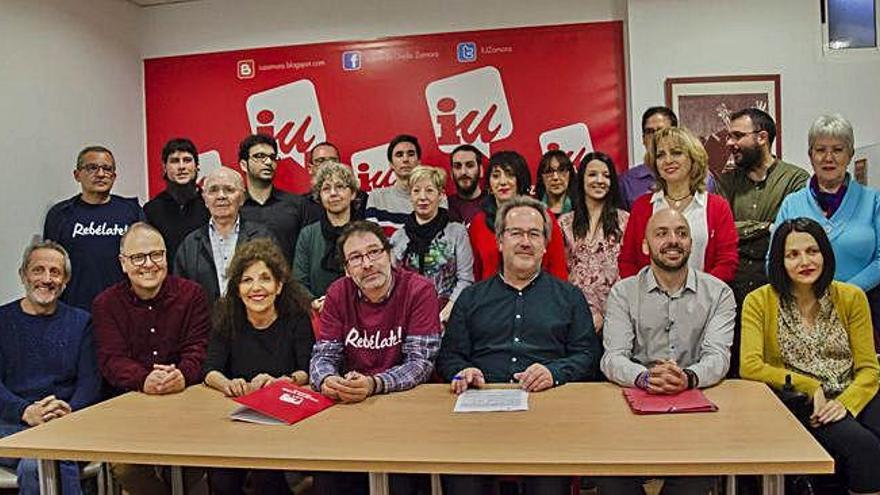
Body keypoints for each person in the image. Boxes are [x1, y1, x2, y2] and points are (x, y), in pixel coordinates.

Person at [437, 195, 600, 495]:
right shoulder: (471, 298)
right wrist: (464, 371)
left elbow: (588, 356)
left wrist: (555, 372)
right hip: (479, 417)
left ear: (545, 245)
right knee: (462, 482)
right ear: (500, 241)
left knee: (548, 485)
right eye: (516, 233)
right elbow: (449, 357)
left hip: (548, 418)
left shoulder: (569, 297)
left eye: (534, 234)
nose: (525, 241)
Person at [598, 208, 735, 495]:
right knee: (612, 479)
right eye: (662, 233)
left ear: (691, 243)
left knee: (694, 479)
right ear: (645, 245)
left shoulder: (719, 293)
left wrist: (686, 377)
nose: (673, 240)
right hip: (634, 407)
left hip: (695, 411)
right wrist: (646, 378)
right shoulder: (623, 293)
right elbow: (613, 357)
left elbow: (718, 357)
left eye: (681, 233)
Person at [741, 217, 880, 494]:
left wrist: (845, 403)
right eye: (792, 254)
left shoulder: (852, 297)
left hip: (853, 393)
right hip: (802, 403)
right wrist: (810, 385)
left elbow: (869, 369)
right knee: (866, 449)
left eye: (812, 251)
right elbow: (750, 366)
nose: (805, 261)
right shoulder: (758, 301)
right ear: (779, 261)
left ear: (825, 254)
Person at [309, 220, 441, 495]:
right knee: (326, 477)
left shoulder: (419, 290)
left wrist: (374, 384)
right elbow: (323, 355)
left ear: (389, 255)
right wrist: (327, 380)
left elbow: (420, 364)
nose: (367, 264)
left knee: (399, 482)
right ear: (347, 269)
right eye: (356, 258)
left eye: (374, 252)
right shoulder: (337, 293)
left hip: (405, 408)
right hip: (352, 408)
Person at [92, 222, 209, 495]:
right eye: (137, 257)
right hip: (130, 411)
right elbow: (111, 359)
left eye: (156, 255)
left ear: (166, 257)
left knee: (198, 463)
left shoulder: (193, 295)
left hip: (187, 407)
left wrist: (182, 374)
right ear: (123, 263)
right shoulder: (105, 304)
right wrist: (144, 379)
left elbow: (199, 348)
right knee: (126, 468)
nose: (148, 264)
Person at [203, 238, 314, 495]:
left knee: (267, 474)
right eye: (246, 280)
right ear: (237, 288)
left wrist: (284, 382)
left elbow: (307, 368)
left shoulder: (296, 316)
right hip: (237, 420)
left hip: (285, 419)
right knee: (220, 476)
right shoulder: (227, 315)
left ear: (278, 285)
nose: (256, 288)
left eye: (265, 278)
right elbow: (210, 370)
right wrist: (228, 383)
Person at [0, 240, 101, 495]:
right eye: (38, 270)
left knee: (35, 465)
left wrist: (65, 415)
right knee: (47, 458)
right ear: (23, 275)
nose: (47, 279)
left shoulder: (82, 322)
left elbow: (90, 383)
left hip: (67, 422)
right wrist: (25, 411)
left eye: (55, 272)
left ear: (65, 280)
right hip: (11, 425)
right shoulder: (2, 321)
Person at [775, 114, 880, 351]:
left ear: (850, 154)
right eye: (820, 149)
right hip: (803, 314)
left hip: (862, 310)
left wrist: (843, 293)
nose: (829, 158)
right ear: (810, 155)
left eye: (838, 149)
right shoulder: (792, 204)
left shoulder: (873, 201)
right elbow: (774, 260)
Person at [716, 108, 809, 376]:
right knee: (733, 368)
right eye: (728, 136)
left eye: (737, 135)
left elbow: (789, 232)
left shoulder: (795, 179)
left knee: (774, 367)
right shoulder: (727, 180)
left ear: (762, 137)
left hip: (776, 285)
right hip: (732, 285)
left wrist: (770, 228)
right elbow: (722, 231)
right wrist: (765, 226)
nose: (729, 143)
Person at [618, 127, 738, 282]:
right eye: (661, 155)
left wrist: (702, 294)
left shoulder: (717, 207)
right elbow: (628, 261)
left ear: (693, 158)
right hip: (650, 303)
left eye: (676, 152)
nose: (668, 160)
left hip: (705, 302)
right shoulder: (642, 207)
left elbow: (727, 261)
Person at [43, 145, 144, 311]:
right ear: (77, 175)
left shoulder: (132, 211)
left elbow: (143, 260)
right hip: (75, 311)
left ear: (114, 176)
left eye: (107, 168)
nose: (101, 174)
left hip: (126, 309)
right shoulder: (60, 215)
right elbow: (51, 265)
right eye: (92, 168)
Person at [174, 167, 274, 303]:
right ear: (204, 199)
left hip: (252, 321)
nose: (221, 196)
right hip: (205, 322)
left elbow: (275, 282)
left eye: (229, 189)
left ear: (242, 198)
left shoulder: (263, 238)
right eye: (213, 190)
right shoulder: (190, 245)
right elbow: (181, 295)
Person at [468, 151, 568, 281]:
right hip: (490, 298)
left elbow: (557, 267)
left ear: (520, 179)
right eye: (496, 176)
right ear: (489, 184)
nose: (502, 182)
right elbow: (476, 273)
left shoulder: (542, 215)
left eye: (510, 175)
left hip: (539, 297)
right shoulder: (479, 222)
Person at [391, 166, 474, 323]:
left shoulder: (457, 232)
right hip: (409, 318)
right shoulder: (399, 237)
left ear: (441, 195)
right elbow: (392, 282)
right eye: (416, 191)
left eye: (429, 190)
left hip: (449, 317)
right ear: (410, 195)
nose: (422, 197)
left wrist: (442, 316)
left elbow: (465, 279)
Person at [558, 152, 629, 333]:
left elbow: (629, 271)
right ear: (581, 179)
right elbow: (559, 274)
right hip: (573, 317)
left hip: (618, 316)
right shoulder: (564, 223)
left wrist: (605, 315)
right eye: (592, 174)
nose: (599, 180)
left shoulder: (625, 221)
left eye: (606, 176)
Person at [619, 106, 715, 210]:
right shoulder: (627, 182)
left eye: (661, 131)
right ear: (643, 139)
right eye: (650, 132)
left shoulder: (704, 179)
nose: (656, 136)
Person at [294, 162, 359, 312]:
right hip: (320, 316)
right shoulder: (308, 234)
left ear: (353, 193)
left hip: (363, 314)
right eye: (326, 188)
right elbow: (298, 282)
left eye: (340, 186)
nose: (333, 193)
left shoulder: (368, 232)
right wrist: (314, 302)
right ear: (319, 197)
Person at [238, 134, 307, 263]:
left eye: (272, 157)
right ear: (243, 165)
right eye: (259, 156)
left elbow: (307, 254)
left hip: (288, 282)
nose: (268, 162)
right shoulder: (235, 207)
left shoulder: (297, 204)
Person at [144, 138, 210, 262]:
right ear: (164, 167)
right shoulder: (151, 210)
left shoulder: (210, 205)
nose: (181, 167)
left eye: (187, 160)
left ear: (197, 166)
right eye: (174, 161)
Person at [366, 134, 446, 237]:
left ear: (419, 162)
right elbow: (372, 241)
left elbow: (439, 240)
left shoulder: (437, 197)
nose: (405, 159)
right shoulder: (377, 197)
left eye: (411, 154)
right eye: (399, 155)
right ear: (391, 164)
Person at [299, 141, 368, 223]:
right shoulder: (301, 204)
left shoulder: (361, 198)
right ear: (310, 168)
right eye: (321, 161)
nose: (328, 165)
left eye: (333, 160)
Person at [447, 144, 486, 225]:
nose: (463, 172)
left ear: (481, 170)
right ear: (451, 173)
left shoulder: (494, 203)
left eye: (470, 165)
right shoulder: (444, 206)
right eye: (457, 166)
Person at [535, 149, 576, 215]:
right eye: (549, 171)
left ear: (570, 174)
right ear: (541, 177)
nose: (555, 177)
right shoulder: (534, 211)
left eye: (562, 170)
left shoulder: (582, 209)